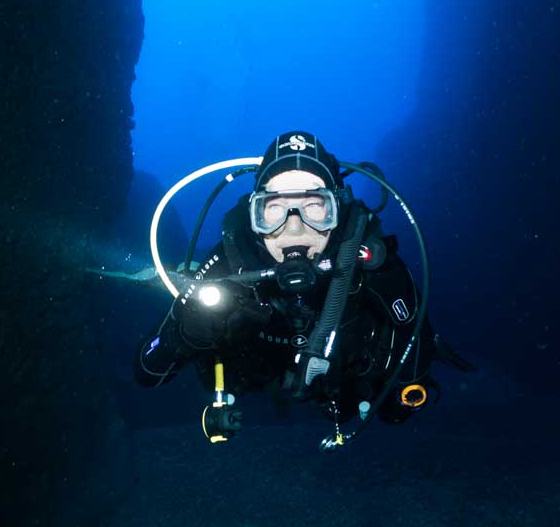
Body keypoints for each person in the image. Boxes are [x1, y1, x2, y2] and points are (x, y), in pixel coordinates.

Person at [133, 130, 468, 446]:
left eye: (314, 206)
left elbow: (402, 400)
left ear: (338, 209)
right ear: (254, 214)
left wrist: (397, 390)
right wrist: (185, 333)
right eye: (274, 209)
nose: (294, 229)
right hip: (253, 381)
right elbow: (148, 371)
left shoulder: (373, 267)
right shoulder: (227, 265)